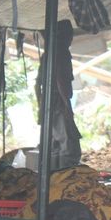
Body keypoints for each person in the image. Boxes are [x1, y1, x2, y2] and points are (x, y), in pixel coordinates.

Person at [35, 19, 81, 170]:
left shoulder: (46, 55)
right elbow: (62, 81)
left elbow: (37, 85)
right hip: (59, 104)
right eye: (70, 35)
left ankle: (54, 179)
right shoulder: (62, 54)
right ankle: (67, 179)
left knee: (53, 147)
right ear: (65, 37)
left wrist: (41, 106)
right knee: (69, 148)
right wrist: (67, 106)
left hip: (48, 104)